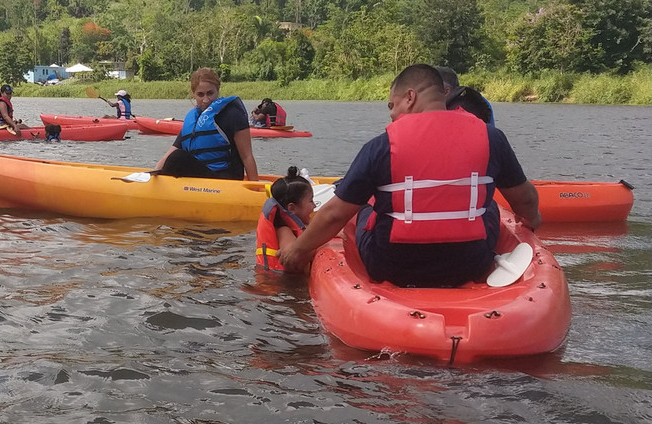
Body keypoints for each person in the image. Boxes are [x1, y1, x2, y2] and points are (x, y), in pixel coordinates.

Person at [278, 64, 540, 288]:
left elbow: (335, 214)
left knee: (365, 207)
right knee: (490, 204)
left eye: (393, 105)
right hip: (470, 264)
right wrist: (531, 222)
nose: (391, 114)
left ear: (410, 97)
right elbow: (525, 200)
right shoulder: (491, 137)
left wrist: (297, 250)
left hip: (393, 265)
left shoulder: (381, 146)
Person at [153, 67, 259, 181]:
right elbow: (169, 153)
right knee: (175, 157)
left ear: (217, 91)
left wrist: (255, 188)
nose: (206, 100)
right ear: (194, 95)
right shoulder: (194, 119)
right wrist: (151, 178)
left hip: (226, 180)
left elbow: (247, 156)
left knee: (177, 158)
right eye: (200, 94)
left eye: (210, 93)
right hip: (202, 178)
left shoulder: (232, 114)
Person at [256, 166, 315, 272]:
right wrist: (323, 241)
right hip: (283, 285)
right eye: (311, 201)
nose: (314, 206)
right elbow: (293, 258)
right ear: (292, 208)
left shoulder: (297, 225)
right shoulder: (283, 231)